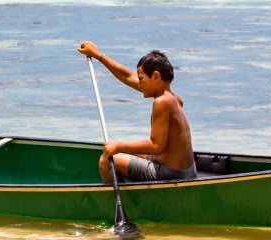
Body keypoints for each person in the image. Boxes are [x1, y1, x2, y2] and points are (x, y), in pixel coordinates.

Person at [77, 41, 196, 183]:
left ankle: (118, 203)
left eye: (141, 79)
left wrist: (120, 145)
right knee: (128, 150)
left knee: (106, 160)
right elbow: (127, 76)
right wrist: (97, 55)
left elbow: (156, 146)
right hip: (187, 170)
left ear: (156, 76)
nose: (139, 85)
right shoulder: (174, 97)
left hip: (171, 174)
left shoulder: (161, 102)